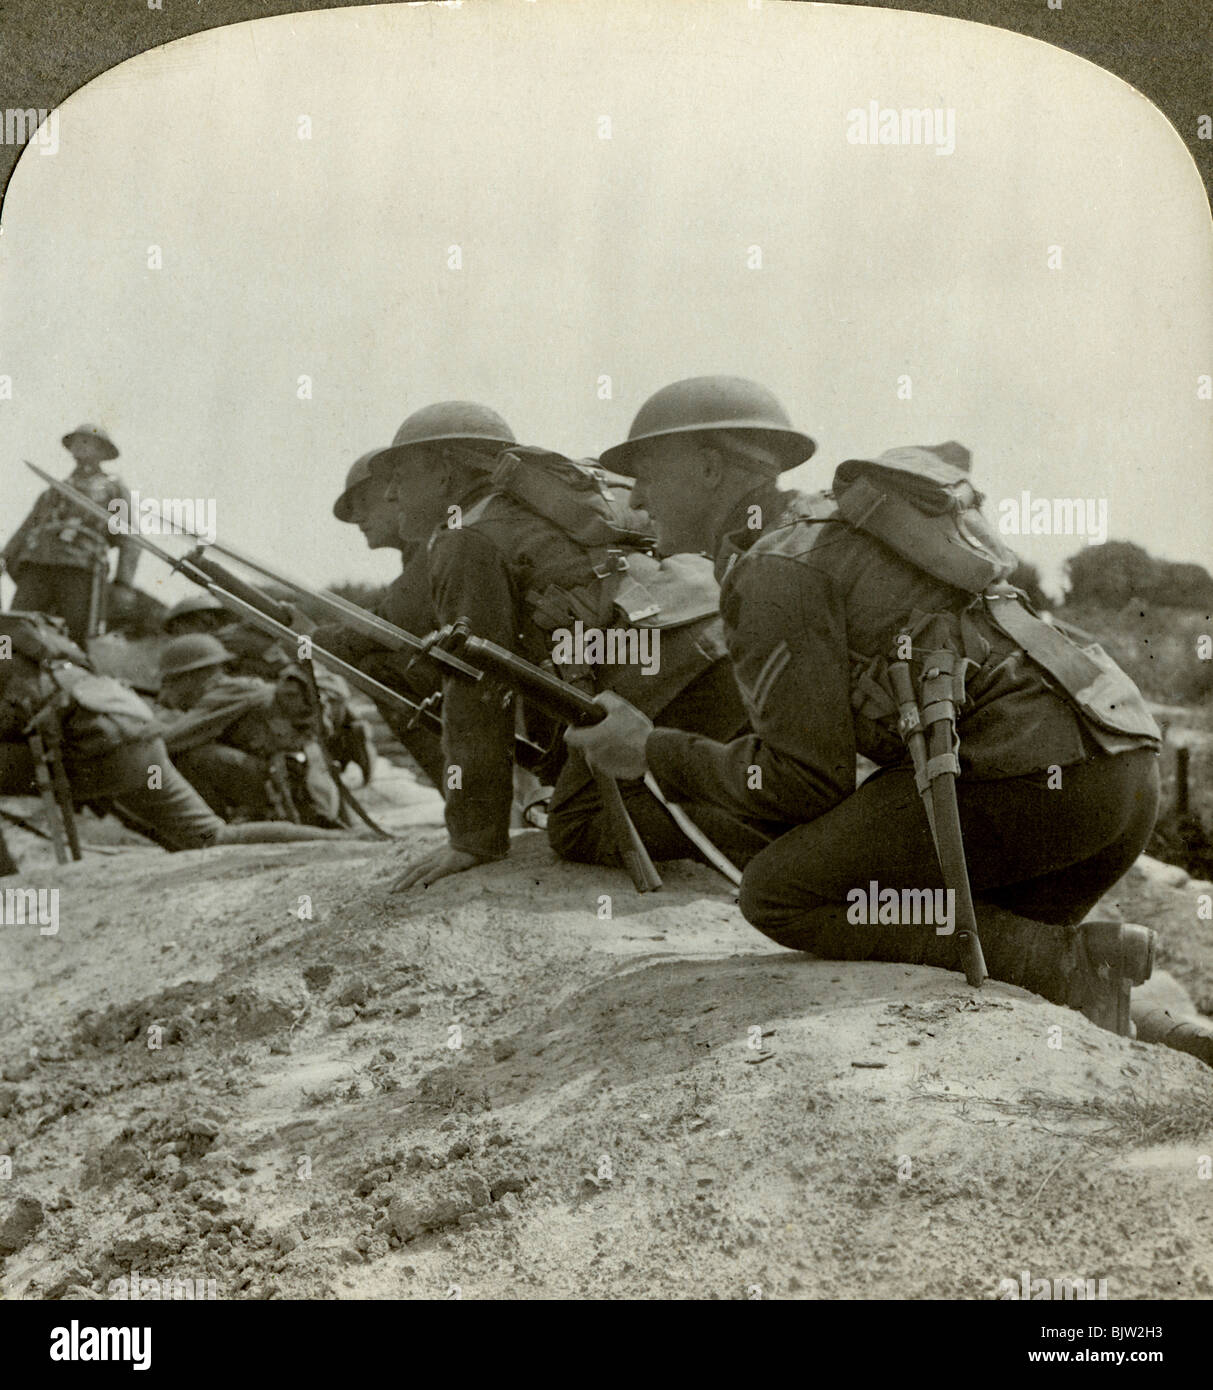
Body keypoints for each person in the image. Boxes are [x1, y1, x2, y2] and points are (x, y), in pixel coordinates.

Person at [570, 376, 1162, 1034]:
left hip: (1042, 784)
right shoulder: (825, 532)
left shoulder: (777, 566)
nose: (638, 498)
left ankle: (1077, 965)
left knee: (779, 893)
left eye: (647, 474)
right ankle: (1150, 1023)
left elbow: (799, 783)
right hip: (1122, 774)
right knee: (930, 921)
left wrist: (649, 749)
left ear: (710, 469)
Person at [373, 401, 747, 892]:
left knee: (577, 826)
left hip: (672, 676)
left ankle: (765, 835)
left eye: (400, 474)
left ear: (445, 472)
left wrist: (473, 838)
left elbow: (476, 687)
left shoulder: (466, 536)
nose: (392, 493)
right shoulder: (547, 503)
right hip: (723, 646)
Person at [0, 611, 352, 864]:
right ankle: (348, 842)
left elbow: (178, 737)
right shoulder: (29, 643)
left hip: (99, 746)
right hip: (126, 735)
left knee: (198, 776)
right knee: (214, 837)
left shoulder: (232, 691)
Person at [156, 634, 345, 827]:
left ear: (191, 676)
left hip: (293, 790)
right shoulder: (242, 687)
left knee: (192, 758)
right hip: (304, 787)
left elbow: (170, 741)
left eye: (172, 681)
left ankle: (212, 825)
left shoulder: (227, 692)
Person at [2, 425, 139, 644]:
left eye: (87, 441)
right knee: (13, 626)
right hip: (38, 563)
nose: (80, 445)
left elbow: (128, 537)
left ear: (102, 451)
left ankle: (73, 677)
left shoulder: (114, 489)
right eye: (77, 441)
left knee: (77, 633)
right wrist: (4, 556)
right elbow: (28, 527)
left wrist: (124, 583)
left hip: (81, 568)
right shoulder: (55, 489)